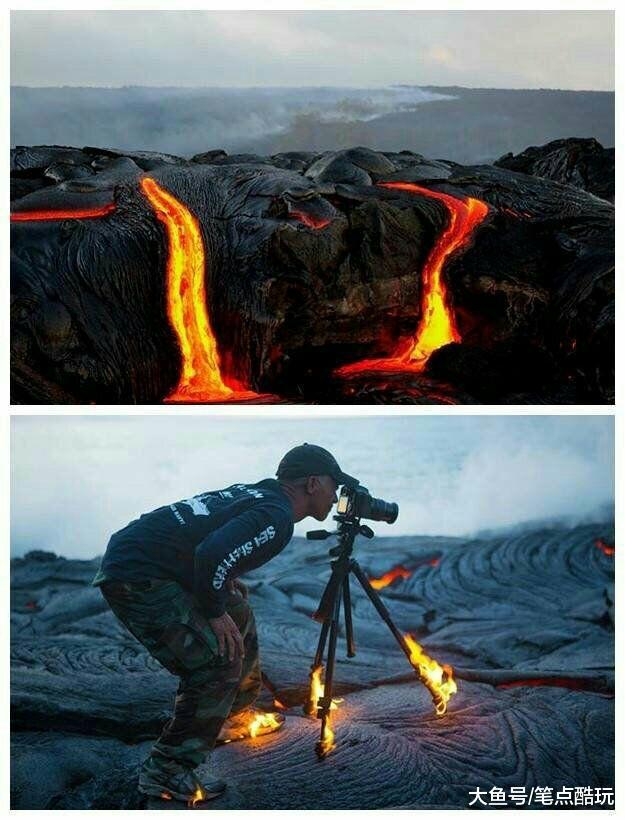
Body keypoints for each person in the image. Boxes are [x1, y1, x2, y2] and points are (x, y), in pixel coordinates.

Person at [92, 443, 357, 803]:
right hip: (137, 576)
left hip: (148, 558)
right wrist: (213, 613)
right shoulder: (276, 517)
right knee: (216, 661)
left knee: (238, 608)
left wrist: (222, 588)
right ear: (312, 483)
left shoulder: (261, 492)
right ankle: (167, 770)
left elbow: (207, 538)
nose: (336, 493)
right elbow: (211, 553)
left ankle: (230, 714)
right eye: (333, 484)